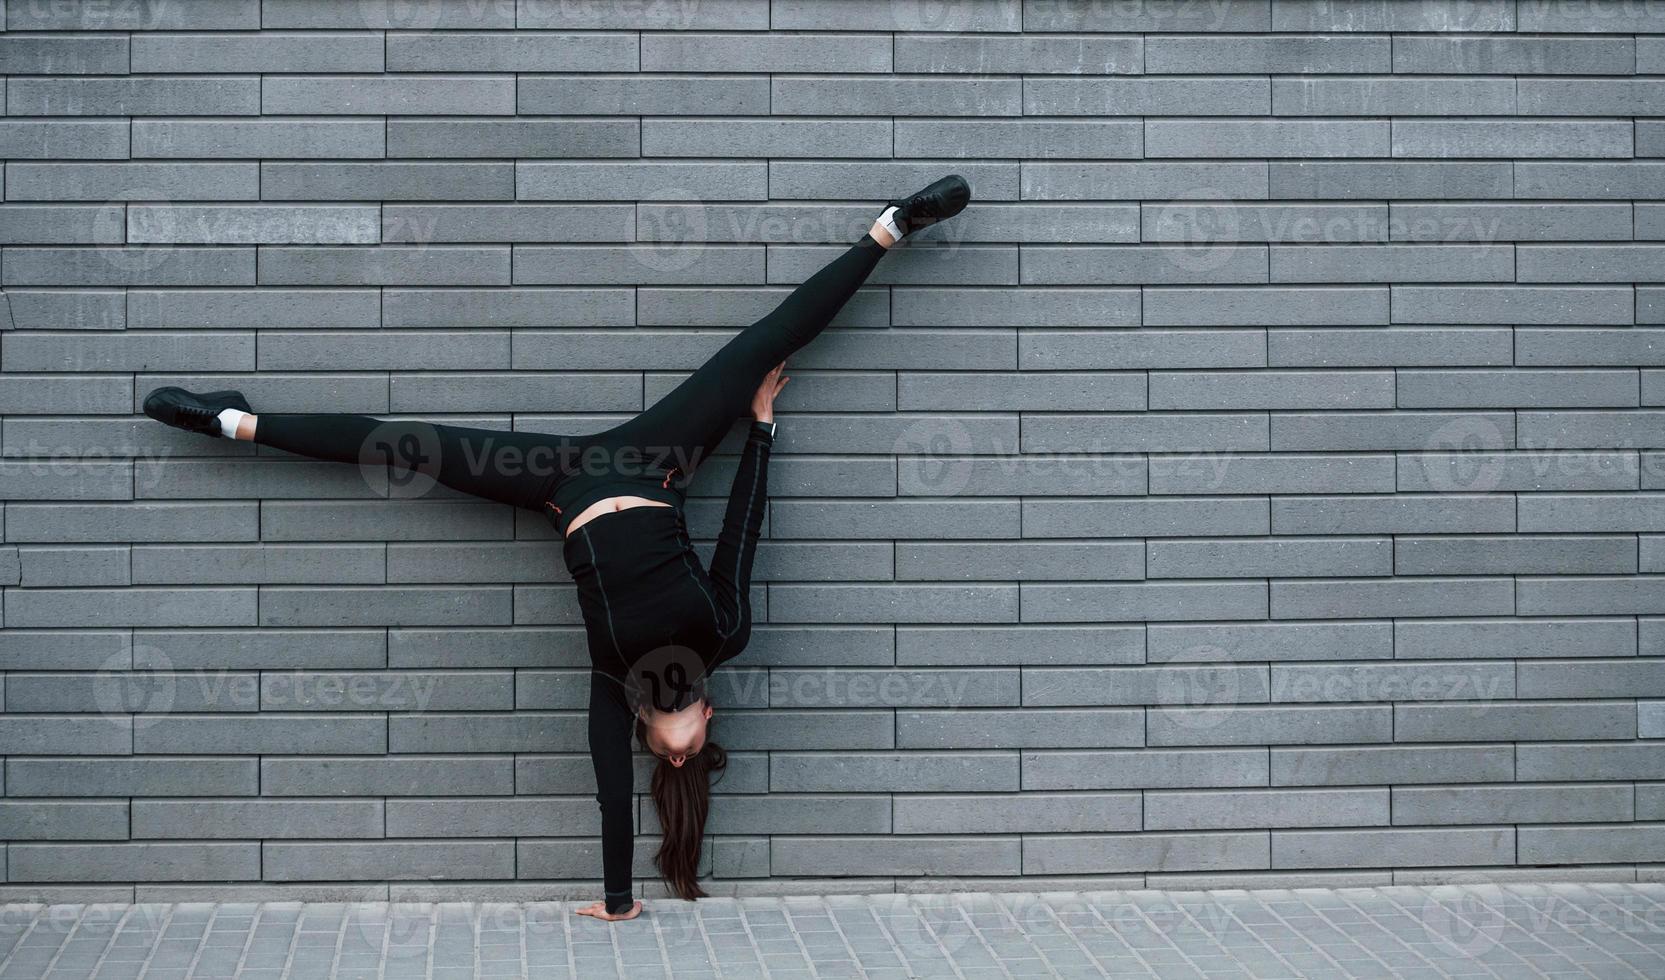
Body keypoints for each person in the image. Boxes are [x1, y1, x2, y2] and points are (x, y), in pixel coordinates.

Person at [141, 175, 972, 921]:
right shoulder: (723, 633)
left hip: (560, 484)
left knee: (402, 447)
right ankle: (893, 227)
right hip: (659, 463)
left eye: (666, 753)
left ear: (652, 736)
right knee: (766, 344)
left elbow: (615, 800)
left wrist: (618, 904)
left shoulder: (614, 688)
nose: (676, 745)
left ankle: (230, 420)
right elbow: (742, 531)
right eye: (693, 746)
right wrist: (760, 428)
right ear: (708, 713)